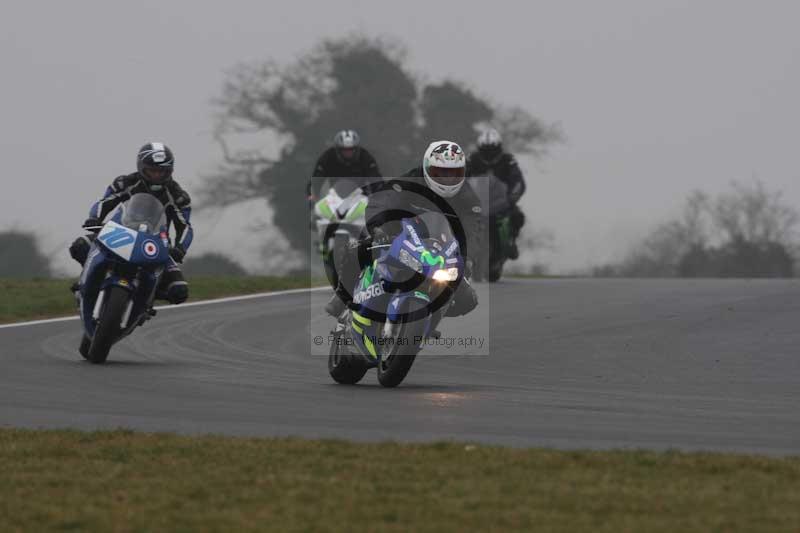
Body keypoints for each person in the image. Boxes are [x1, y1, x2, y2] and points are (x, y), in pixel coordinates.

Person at [325, 140, 480, 319]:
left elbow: (473, 230)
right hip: (398, 237)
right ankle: (342, 296)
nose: (448, 179)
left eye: (454, 173)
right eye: (441, 172)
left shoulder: (468, 198)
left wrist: (468, 257)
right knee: (358, 250)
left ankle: (429, 317)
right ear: (427, 168)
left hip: (440, 250)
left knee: (467, 299)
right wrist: (379, 229)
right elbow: (381, 202)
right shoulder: (408, 182)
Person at [68, 142, 193, 304]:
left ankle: (145, 301)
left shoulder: (178, 196)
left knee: (179, 290)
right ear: (141, 167)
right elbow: (104, 202)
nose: (157, 175)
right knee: (80, 246)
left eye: (161, 171)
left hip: (155, 244)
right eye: (152, 170)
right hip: (119, 234)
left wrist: (180, 248)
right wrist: (94, 219)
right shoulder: (125, 183)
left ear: (170, 171)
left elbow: (185, 226)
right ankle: (86, 283)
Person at [466, 128, 526, 259]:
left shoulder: (508, 161)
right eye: (485, 151)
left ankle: (511, 241)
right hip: (477, 202)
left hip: (501, 202)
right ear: (480, 149)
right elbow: (460, 177)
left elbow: (518, 181)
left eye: (492, 150)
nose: (489, 154)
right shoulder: (472, 160)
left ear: (499, 148)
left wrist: (512, 197)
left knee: (517, 216)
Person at [306, 129, 382, 207]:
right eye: (344, 150)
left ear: (357, 149)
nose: (348, 153)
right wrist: (312, 196)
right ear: (338, 149)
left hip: (360, 200)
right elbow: (316, 179)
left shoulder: (365, 157)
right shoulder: (328, 157)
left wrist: (378, 196)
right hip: (334, 200)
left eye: (351, 150)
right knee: (319, 212)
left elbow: (375, 178)